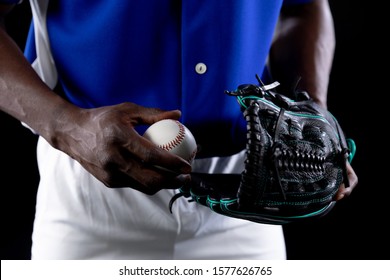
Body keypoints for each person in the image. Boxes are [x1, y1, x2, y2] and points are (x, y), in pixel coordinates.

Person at [0, 0, 358, 260]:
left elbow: (303, 6)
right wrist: (65, 126)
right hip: (91, 202)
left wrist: (312, 114)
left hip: (246, 195)